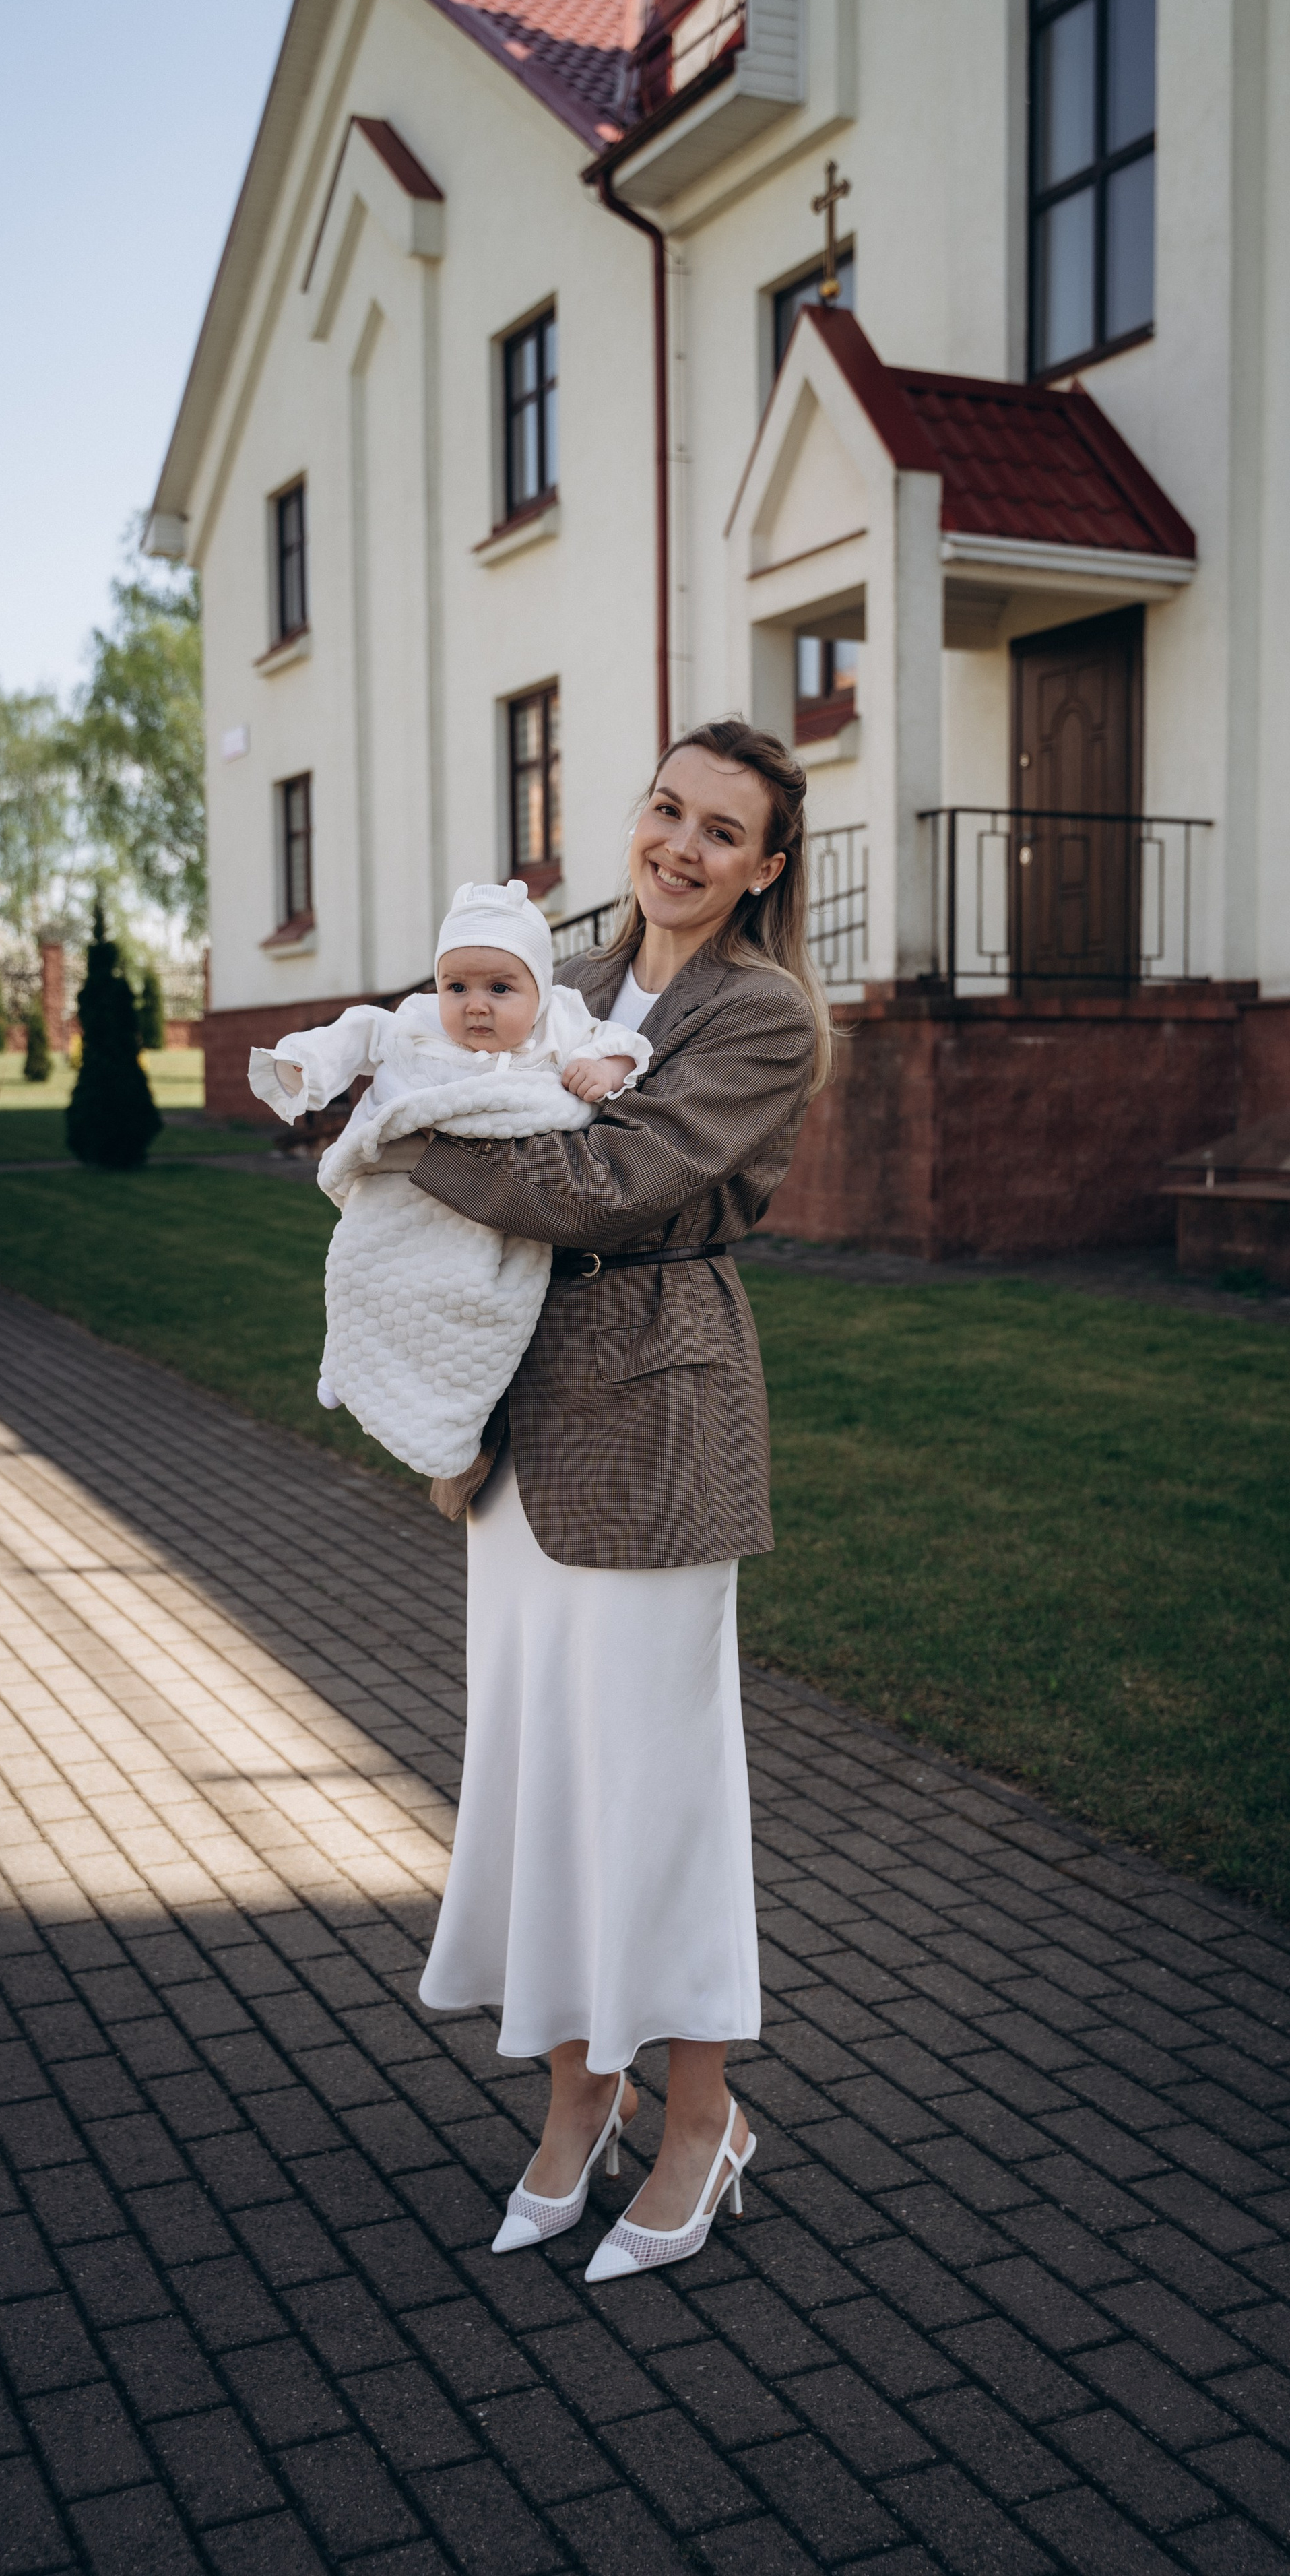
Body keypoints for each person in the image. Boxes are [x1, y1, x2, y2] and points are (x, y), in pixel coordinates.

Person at [414, 717, 831, 2281]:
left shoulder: (765, 1014)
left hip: (659, 1416)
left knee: (656, 1792)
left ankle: (698, 2119)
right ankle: (578, 2093)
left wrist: (407, 1134)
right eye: (668, 808)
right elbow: (458, 1070)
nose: (680, 844)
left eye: (722, 830)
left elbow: (600, 1183)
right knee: (539, 1776)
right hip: (522, 1417)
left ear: (763, 867)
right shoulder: (559, 976)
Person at [245, 882, 651, 1479]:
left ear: (539, 992)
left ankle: (442, 1417)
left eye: (500, 988)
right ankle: (347, 1363)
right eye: (455, 987)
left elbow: (627, 1045)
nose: (475, 1005)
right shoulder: (414, 1021)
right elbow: (358, 1032)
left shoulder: (560, 1024)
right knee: (358, 1265)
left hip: (496, 1193)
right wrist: (306, 1063)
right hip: (401, 1188)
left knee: (475, 1300)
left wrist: (605, 1067)